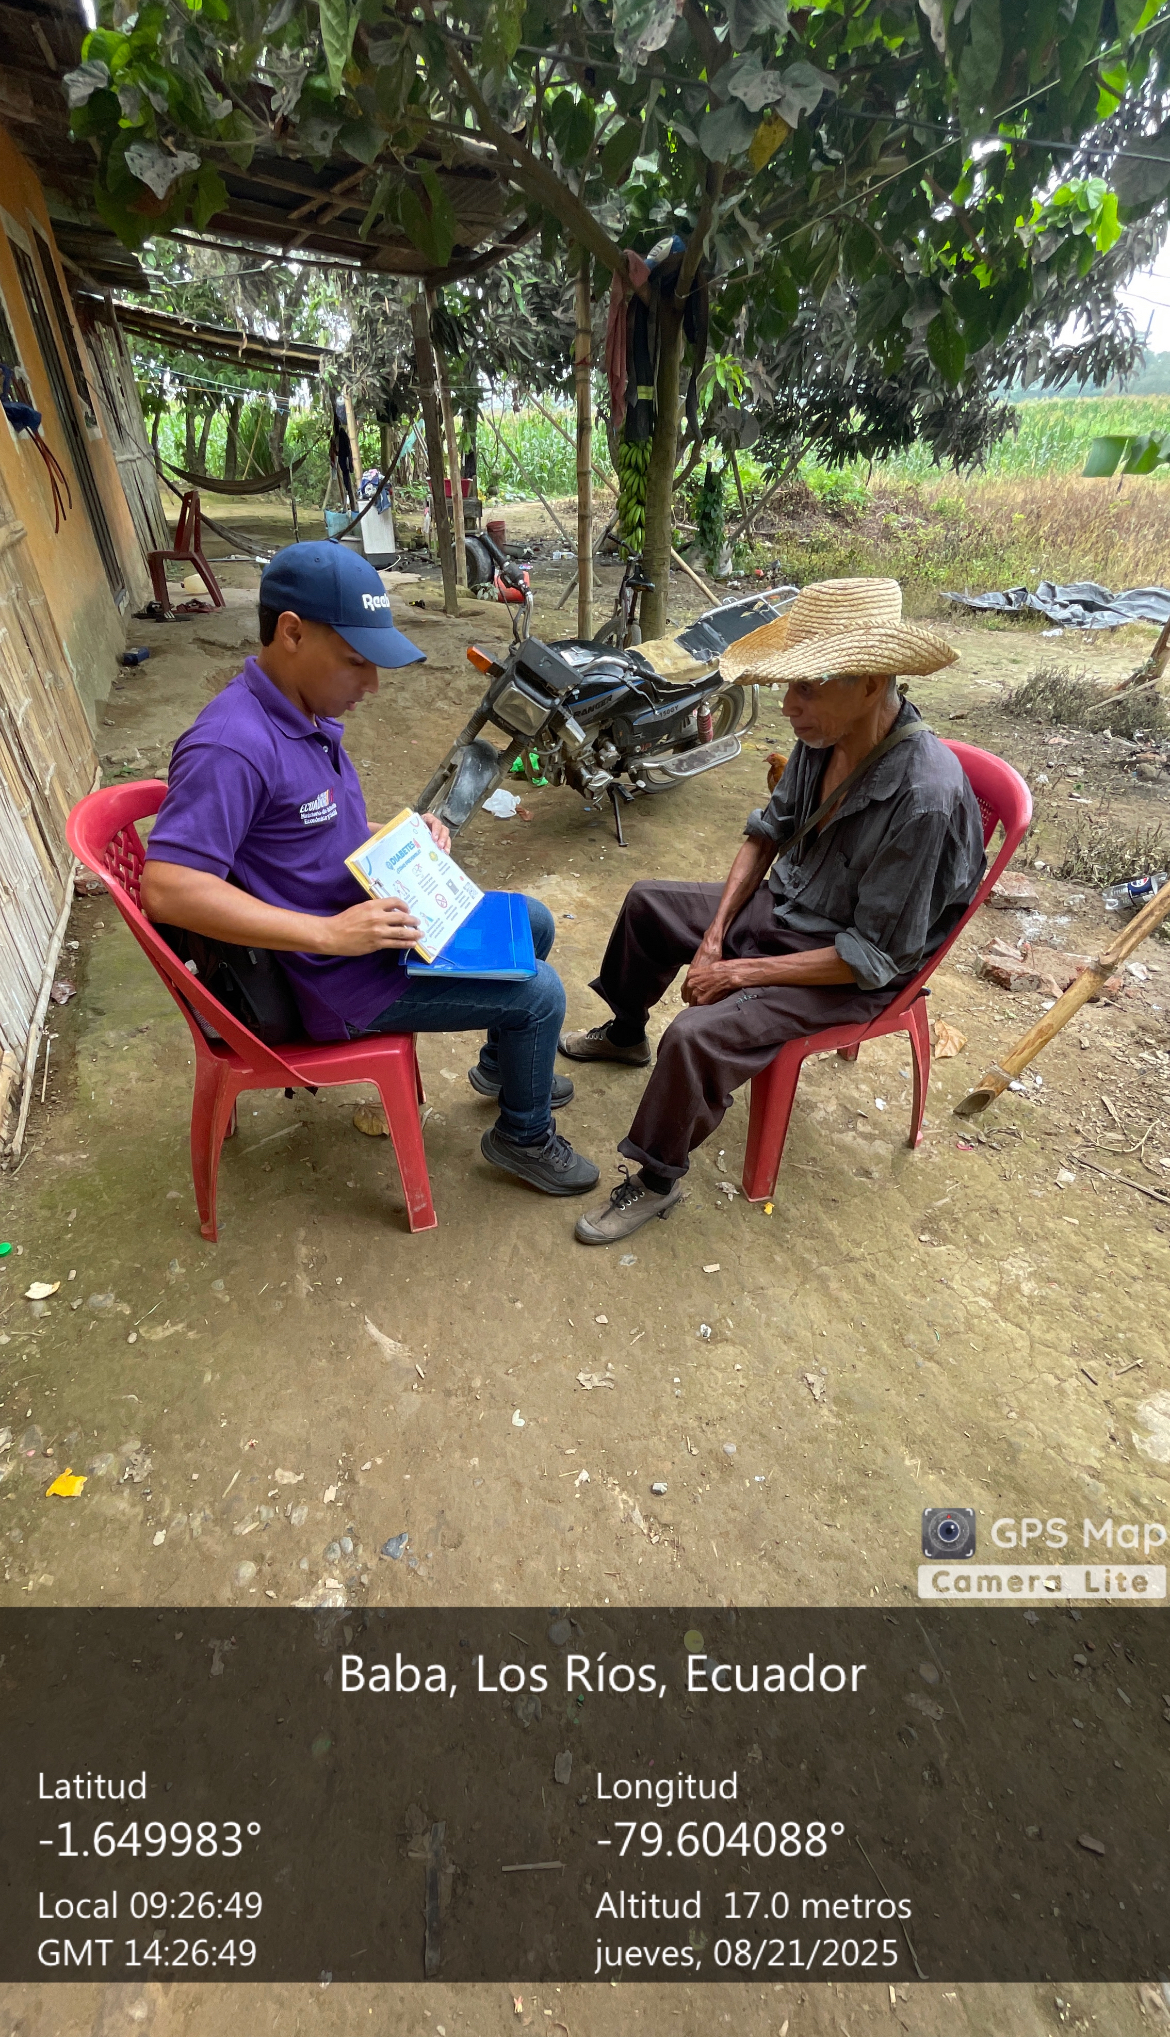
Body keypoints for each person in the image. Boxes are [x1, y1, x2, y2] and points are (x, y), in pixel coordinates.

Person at [141, 540, 598, 1198]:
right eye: (356, 661)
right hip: (333, 979)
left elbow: (309, 829)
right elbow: (168, 888)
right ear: (292, 633)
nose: (372, 684)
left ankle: (508, 1067)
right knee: (541, 993)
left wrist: (400, 836)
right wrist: (329, 934)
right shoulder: (231, 746)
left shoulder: (303, 711)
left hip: (368, 925)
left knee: (533, 922)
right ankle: (522, 1137)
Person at [560, 577, 985, 1245]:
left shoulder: (923, 797)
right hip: (788, 907)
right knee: (649, 904)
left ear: (872, 684)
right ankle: (626, 1031)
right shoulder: (824, 738)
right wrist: (715, 938)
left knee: (694, 1036)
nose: (789, 705)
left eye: (807, 686)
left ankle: (656, 1180)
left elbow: (871, 956)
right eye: (788, 685)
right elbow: (765, 834)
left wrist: (735, 973)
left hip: (847, 969)